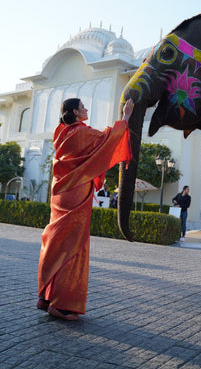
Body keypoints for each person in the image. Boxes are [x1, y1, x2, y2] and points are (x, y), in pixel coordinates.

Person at [37, 97, 134, 321]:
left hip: (60, 194)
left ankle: (46, 297)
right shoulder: (81, 132)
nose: (86, 109)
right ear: (75, 111)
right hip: (77, 194)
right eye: (83, 107)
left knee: (55, 241)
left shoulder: (60, 133)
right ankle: (62, 305)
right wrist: (125, 118)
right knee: (74, 247)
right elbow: (107, 140)